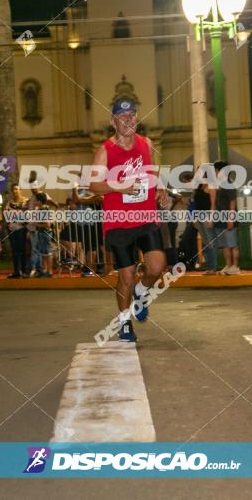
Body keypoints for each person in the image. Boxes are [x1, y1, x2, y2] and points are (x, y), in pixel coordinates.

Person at [88, 98, 167, 342]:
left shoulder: (146, 143)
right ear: (114, 122)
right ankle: (124, 323)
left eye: (132, 115)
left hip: (145, 216)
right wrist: (120, 186)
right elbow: (93, 186)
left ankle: (142, 292)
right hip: (118, 221)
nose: (128, 119)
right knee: (127, 277)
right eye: (123, 117)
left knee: (156, 266)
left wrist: (161, 189)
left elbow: (153, 173)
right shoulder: (105, 151)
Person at [209, 161, 240, 275]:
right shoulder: (218, 185)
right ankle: (228, 265)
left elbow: (233, 202)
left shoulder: (229, 184)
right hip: (219, 219)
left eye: (215, 170)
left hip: (228, 217)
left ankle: (235, 266)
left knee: (232, 244)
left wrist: (230, 219)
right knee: (224, 245)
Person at [3, 183, 29, 279]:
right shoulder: (9, 203)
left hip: (22, 229)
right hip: (12, 229)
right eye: (13, 189)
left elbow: (29, 214)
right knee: (14, 250)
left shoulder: (26, 201)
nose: (15, 191)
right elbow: (6, 214)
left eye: (17, 189)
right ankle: (16, 271)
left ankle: (24, 270)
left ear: (20, 190)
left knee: (22, 249)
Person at [192, 180, 218, 274]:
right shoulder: (198, 187)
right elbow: (196, 205)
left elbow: (213, 204)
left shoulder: (211, 186)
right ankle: (209, 267)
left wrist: (210, 218)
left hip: (207, 216)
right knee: (205, 243)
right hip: (199, 216)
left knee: (211, 242)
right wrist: (195, 218)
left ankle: (213, 268)